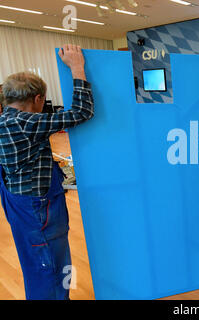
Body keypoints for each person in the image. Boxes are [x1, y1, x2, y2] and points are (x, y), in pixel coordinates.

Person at [0, 44, 94, 299]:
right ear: (38, 99)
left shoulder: (4, 121)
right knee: (51, 265)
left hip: (18, 203)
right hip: (38, 209)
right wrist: (77, 68)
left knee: (36, 264)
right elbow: (83, 112)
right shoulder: (27, 122)